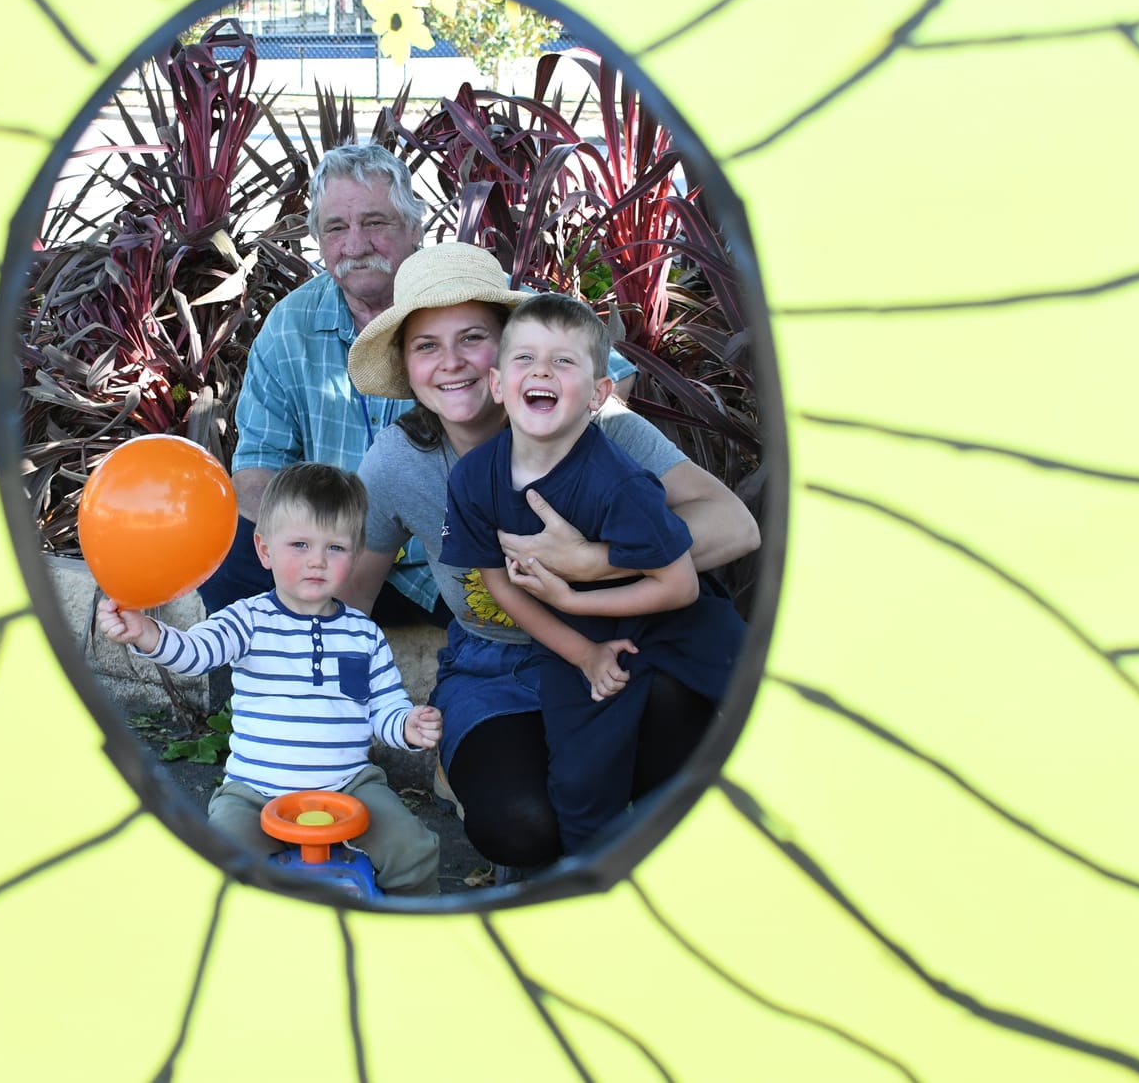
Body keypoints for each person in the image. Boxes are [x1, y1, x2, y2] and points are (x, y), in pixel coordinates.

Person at [342, 243, 758, 870]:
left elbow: (734, 525)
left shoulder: (599, 427)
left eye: (473, 337)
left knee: (672, 730)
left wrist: (594, 562)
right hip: (497, 664)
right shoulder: (399, 462)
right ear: (406, 364)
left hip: (622, 638)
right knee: (522, 826)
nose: (449, 362)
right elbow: (350, 602)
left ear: (507, 354)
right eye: (426, 345)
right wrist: (346, 724)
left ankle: (650, 846)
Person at [199, 142, 635, 622]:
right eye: (336, 228)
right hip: (336, 556)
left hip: (452, 558)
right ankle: (282, 688)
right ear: (318, 241)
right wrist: (314, 542)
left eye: (375, 223)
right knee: (230, 560)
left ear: (414, 227)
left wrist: (531, 484)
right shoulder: (290, 325)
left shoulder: (474, 298)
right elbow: (258, 468)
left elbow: (610, 375)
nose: (356, 244)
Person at [441, 293, 747, 854]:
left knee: (757, 717)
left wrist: (575, 598)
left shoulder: (619, 482)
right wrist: (583, 652)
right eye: (525, 359)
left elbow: (677, 586)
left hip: (680, 624)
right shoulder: (473, 480)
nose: (541, 371)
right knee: (581, 787)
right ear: (497, 384)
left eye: (563, 361)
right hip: (576, 643)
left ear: (599, 394)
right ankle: (592, 897)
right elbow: (497, 581)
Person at [96, 462, 443, 896]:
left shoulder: (363, 634)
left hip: (349, 785)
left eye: (335, 548)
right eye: (300, 544)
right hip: (255, 791)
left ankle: (418, 937)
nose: (317, 560)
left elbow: (383, 709)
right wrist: (148, 634)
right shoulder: (249, 620)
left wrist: (407, 726)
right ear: (264, 550)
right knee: (220, 857)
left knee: (412, 849)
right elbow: (197, 652)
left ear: (356, 555)